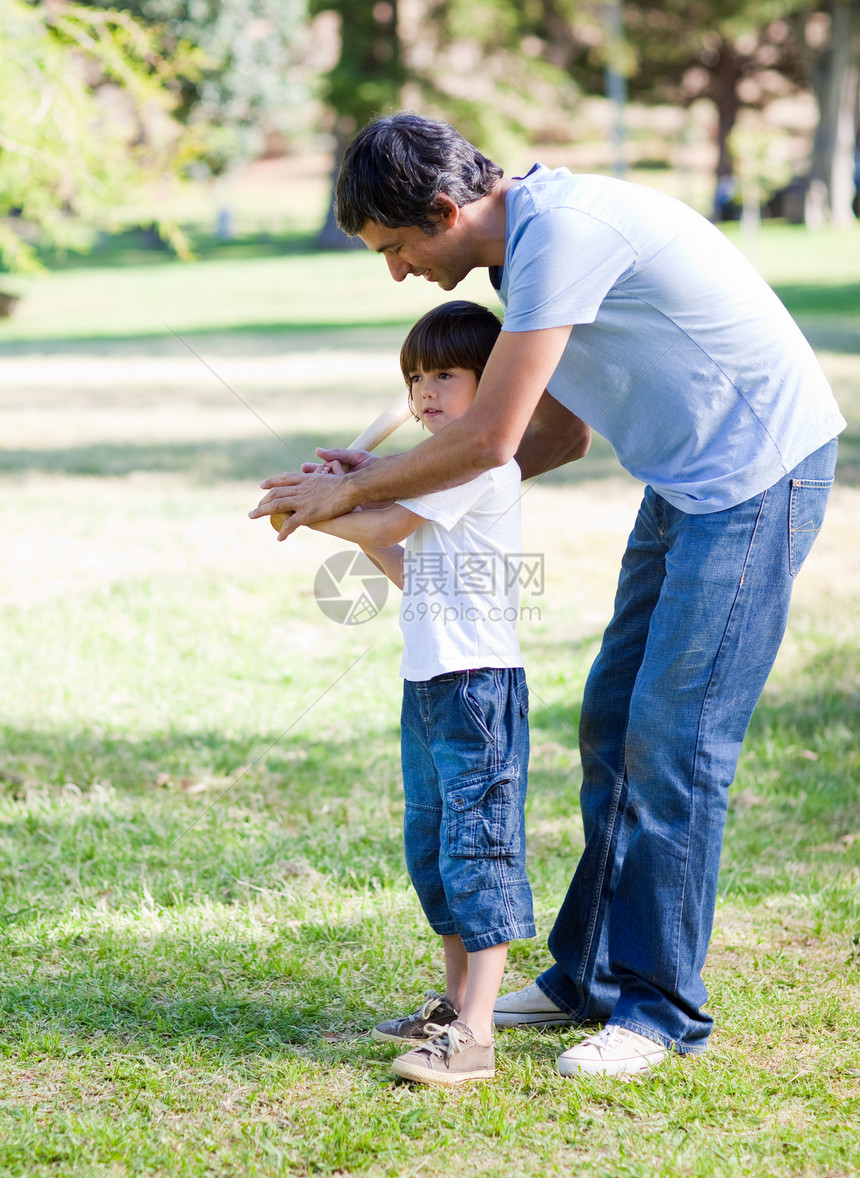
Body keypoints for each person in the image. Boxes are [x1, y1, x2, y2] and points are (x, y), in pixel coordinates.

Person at [250, 112, 846, 1078]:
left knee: (675, 740)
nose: (397, 273)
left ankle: (659, 1010)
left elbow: (487, 439)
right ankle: (589, 976)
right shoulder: (522, 260)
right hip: (687, 482)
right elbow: (552, 439)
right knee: (613, 720)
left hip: (756, 476)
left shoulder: (560, 235)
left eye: (397, 249)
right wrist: (391, 481)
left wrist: (357, 488)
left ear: (445, 211)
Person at [300, 300, 535, 1087]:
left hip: (477, 689)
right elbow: (408, 567)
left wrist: (319, 503)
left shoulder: (477, 464)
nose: (425, 391)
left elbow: (382, 527)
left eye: (445, 375)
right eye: (415, 378)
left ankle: (476, 1036)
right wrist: (344, 495)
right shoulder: (439, 468)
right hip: (430, 685)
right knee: (436, 853)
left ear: (490, 385)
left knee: (479, 852)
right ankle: (453, 1004)